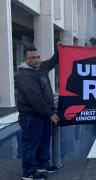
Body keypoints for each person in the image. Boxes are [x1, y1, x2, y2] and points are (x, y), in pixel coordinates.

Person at [17, 45, 61, 180]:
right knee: (31, 144)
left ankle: (43, 164)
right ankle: (29, 172)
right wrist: (50, 114)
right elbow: (35, 98)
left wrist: (61, 49)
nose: (36, 60)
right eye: (32, 58)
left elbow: (53, 61)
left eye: (37, 57)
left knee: (43, 141)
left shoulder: (41, 67)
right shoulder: (25, 75)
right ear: (25, 59)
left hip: (43, 114)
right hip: (31, 116)